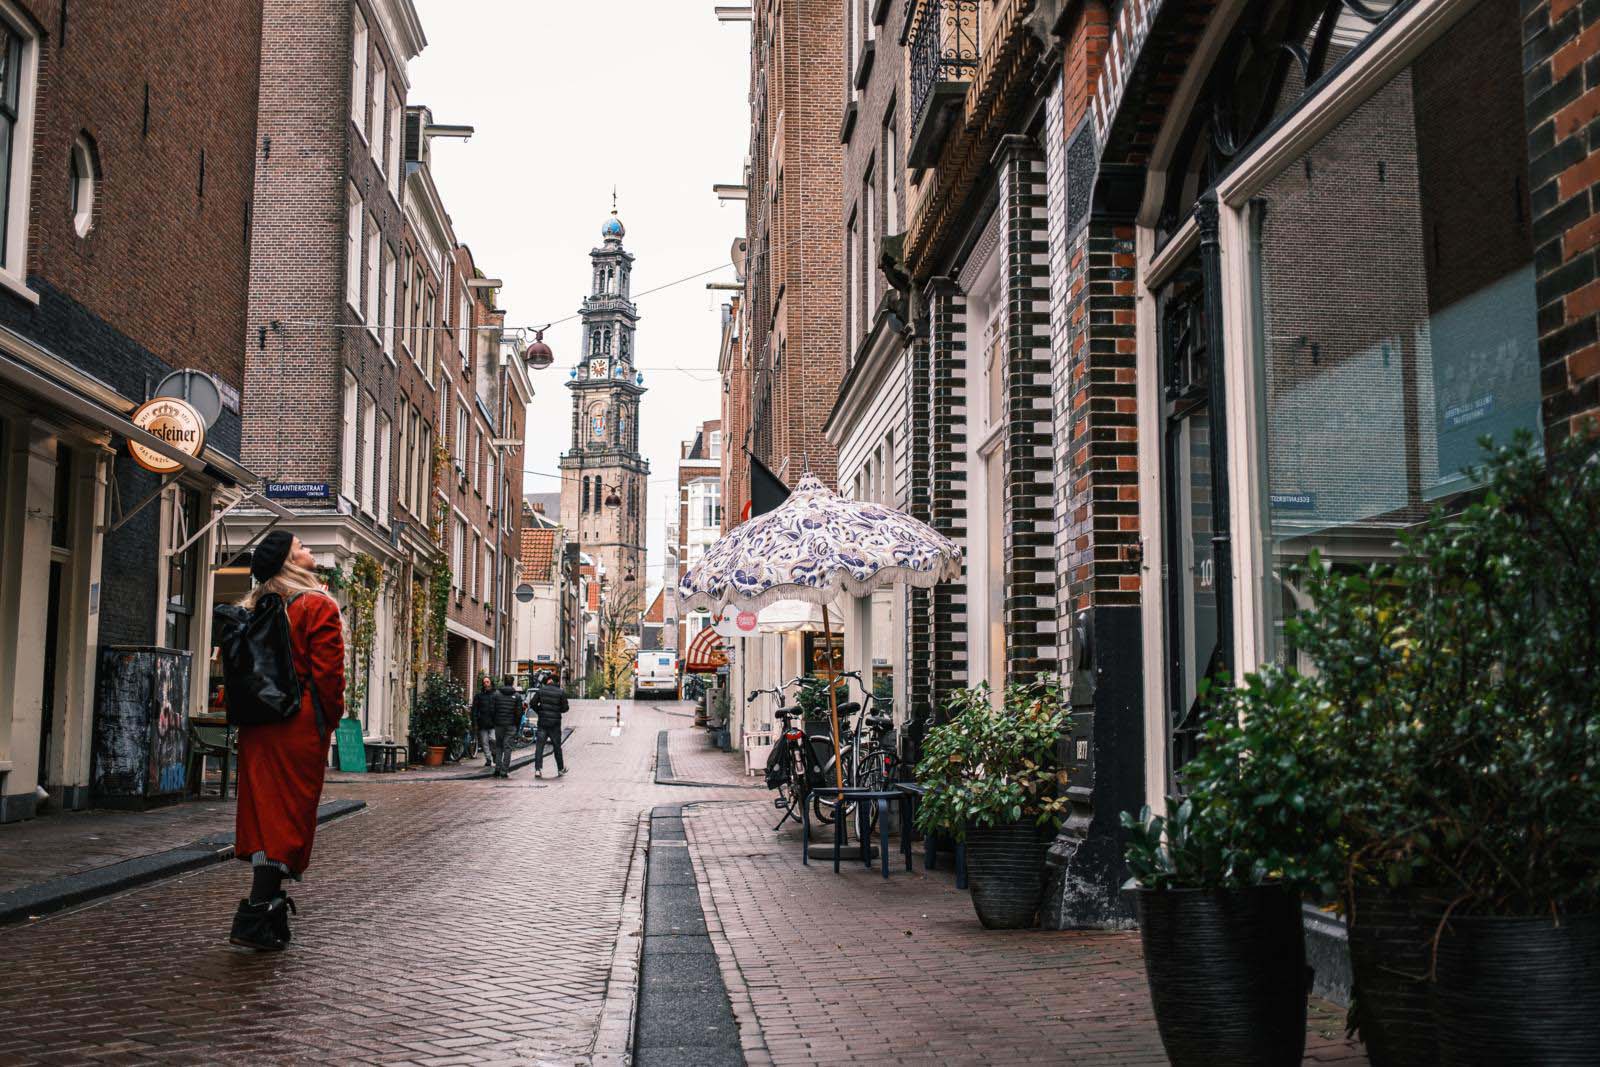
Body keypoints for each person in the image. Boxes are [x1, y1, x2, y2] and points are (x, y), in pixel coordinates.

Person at [229, 530, 344, 951]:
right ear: (290, 563)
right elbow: (329, 677)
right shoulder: (317, 605)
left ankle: (266, 910)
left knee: (265, 814)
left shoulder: (257, 604)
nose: (310, 550)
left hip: (258, 724)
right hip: (297, 724)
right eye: (302, 547)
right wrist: (326, 722)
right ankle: (259, 914)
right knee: (291, 814)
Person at [530, 670, 569, 778]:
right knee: (557, 747)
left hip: (542, 723)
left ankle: (538, 770)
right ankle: (560, 769)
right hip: (555, 724)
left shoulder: (541, 690)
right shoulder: (560, 692)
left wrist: (540, 711)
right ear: (556, 682)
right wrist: (557, 711)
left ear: (549, 680)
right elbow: (566, 708)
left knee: (539, 747)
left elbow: (532, 703)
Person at [489, 675, 523, 777]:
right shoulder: (517, 696)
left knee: (499, 746)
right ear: (512, 683)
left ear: (504, 682)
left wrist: (495, 721)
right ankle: (504, 771)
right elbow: (519, 713)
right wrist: (516, 725)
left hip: (499, 724)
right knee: (507, 748)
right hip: (511, 725)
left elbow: (492, 710)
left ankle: (497, 769)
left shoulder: (496, 695)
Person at [470, 676, 496, 769]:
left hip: (493, 723)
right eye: (484, 682)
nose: (486, 684)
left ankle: (494, 753)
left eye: (487, 682)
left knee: (493, 740)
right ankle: (488, 759)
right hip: (482, 723)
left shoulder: (496, 695)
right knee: (484, 742)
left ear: (491, 683)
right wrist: (475, 722)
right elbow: (474, 710)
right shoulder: (479, 696)